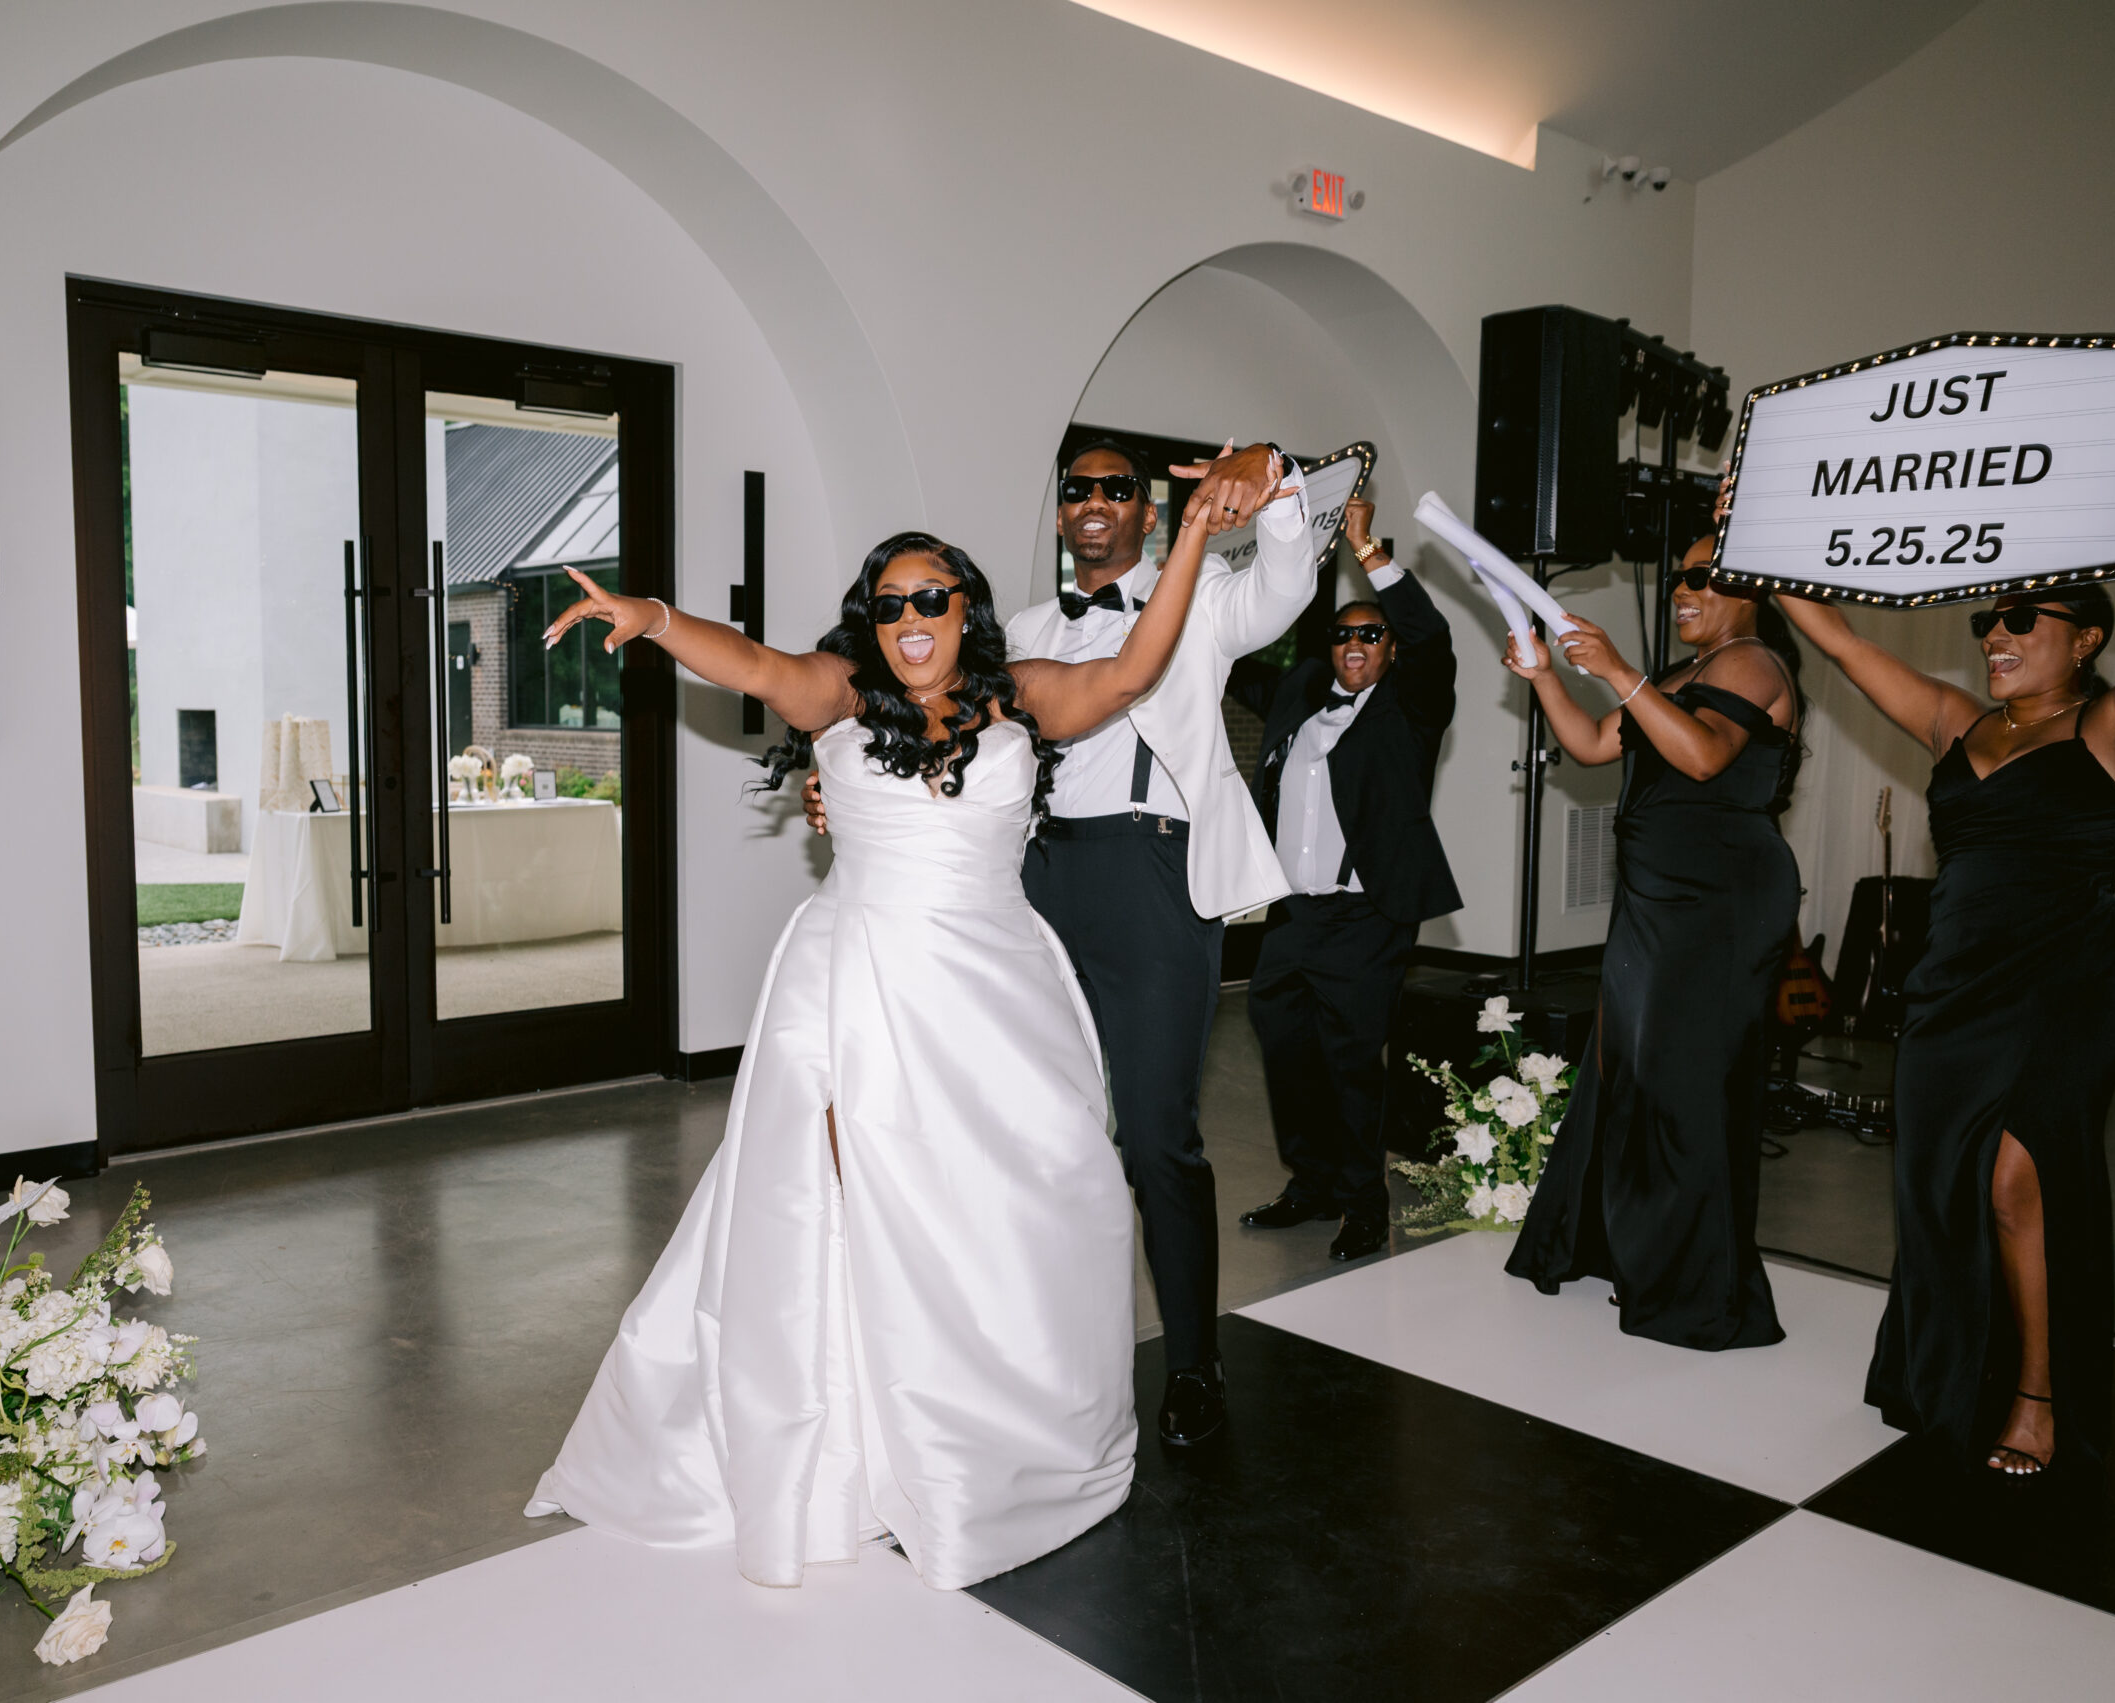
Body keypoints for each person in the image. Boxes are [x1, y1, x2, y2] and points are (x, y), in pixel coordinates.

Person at [525, 471, 1278, 1593]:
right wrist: (657, 619)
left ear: (967, 607)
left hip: (1000, 986)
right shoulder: (838, 693)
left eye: (931, 599)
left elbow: (1130, 671)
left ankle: (1002, 1431)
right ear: (868, 621)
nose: (911, 620)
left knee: (1046, 1188)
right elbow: (756, 664)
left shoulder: (1022, 694)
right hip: (857, 980)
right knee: (856, 1200)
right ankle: (864, 1447)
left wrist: (1192, 545)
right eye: (889, 605)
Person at [804, 437, 1311, 1448]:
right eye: (1078, 487)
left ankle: (1191, 1363)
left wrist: (1274, 478)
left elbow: (1288, 582)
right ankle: (1022, 1358)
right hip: (1025, 883)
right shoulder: (1020, 634)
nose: (1095, 500)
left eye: (1117, 487)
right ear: (1060, 511)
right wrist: (840, 789)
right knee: (1019, 1128)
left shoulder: (1207, 596)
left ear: (1146, 512)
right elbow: (918, 727)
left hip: (1151, 877)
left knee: (1156, 1135)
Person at [1778, 454, 2115, 1476]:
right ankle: (1950, 1368)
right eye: (1986, 620)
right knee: (1939, 1180)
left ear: (2084, 637)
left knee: (2018, 1176)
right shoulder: (1958, 722)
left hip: (2063, 983)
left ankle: (2037, 1394)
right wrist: (1762, 547)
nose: (1995, 634)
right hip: (1952, 982)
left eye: (2020, 617)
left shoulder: (2114, 729)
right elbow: (1838, 641)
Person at [1500, 533, 1802, 1351]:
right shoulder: (1678, 675)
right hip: (1654, 896)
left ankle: (1691, 1283)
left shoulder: (1754, 663)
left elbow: (1703, 757)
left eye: (1702, 576)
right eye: (1678, 577)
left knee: (1684, 1080)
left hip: (1718, 901)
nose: (1681, 590)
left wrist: (1618, 670)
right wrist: (1545, 676)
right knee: (1628, 1065)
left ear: (1749, 589)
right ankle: (1625, 1247)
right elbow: (1593, 745)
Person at [1228, 496, 1461, 1262]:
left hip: (1366, 917)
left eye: (1370, 634)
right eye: (1342, 634)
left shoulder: (1412, 707)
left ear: (1390, 649)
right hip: (1293, 917)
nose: (1354, 644)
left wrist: (1367, 550)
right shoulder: (1300, 689)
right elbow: (1231, 661)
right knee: (1288, 1050)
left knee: (1354, 1064)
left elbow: (1432, 639)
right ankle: (1313, 1183)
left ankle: (1365, 1204)